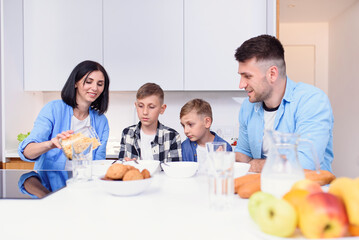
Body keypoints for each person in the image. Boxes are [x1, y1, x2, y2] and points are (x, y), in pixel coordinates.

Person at [234, 34, 334, 173]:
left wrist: (256, 164)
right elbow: (243, 154)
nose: (241, 84)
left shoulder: (312, 100)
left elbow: (305, 164)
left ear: (272, 74)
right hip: (265, 188)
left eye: (248, 76)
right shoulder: (248, 106)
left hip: (306, 191)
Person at [18, 60, 110, 170]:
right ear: (76, 82)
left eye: (100, 84)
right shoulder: (53, 109)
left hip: (85, 183)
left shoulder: (101, 121)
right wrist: (51, 144)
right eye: (89, 82)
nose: (95, 88)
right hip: (50, 184)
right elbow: (26, 152)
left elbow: (99, 163)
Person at [118, 82, 182, 162]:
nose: (145, 112)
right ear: (136, 106)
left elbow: (174, 170)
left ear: (162, 109)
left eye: (151, 107)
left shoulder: (172, 136)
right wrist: (126, 164)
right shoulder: (127, 133)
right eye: (140, 106)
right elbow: (121, 166)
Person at [180, 99, 232, 173]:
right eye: (183, 126)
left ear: (207, 122)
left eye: (190, 124)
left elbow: (224, 176)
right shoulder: (184, 147)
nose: (186, 131)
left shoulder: (225, 147)